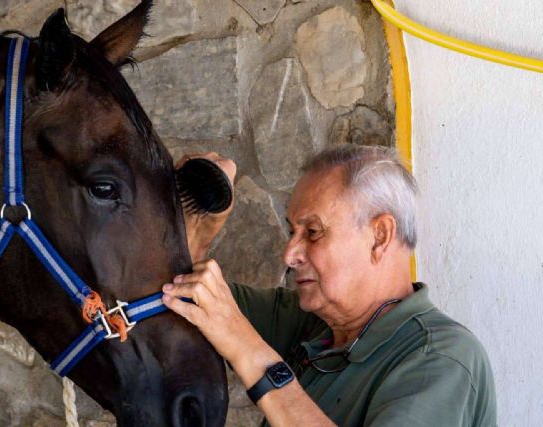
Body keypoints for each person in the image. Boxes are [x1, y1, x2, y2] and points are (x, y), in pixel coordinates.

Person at [162, 144, 497, 426]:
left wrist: (246, 347)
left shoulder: (441, 357)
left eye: (313, 232)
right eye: (292, 230)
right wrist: (200, 228)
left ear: (379, 236)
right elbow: (180, 296)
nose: (289, 254)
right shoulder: (311, 322)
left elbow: (232, 328)